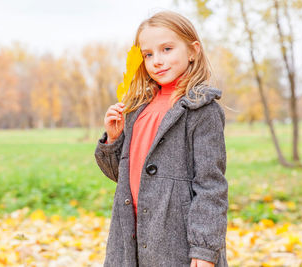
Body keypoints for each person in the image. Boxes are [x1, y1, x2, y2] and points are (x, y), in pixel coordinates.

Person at [94, 10, 228, 267]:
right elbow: (121, 176)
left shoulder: (201, 110)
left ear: (192, 51)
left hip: (175, 239)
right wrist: (113, 139)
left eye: (167, 49)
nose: (157, 60)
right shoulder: (136, 109)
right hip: (129, 234)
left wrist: (204, 248)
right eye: (148, 54)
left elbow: (211, 187)